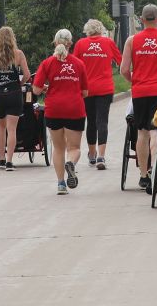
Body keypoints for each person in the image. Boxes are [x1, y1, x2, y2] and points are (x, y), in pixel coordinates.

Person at [120, 5, 157, 193]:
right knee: (156, 132)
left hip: (140, 92)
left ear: (142, 20)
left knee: (141, 131)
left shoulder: (132, 41)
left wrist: (136, 81)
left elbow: (124, 69)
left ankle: (144, 174)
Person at [33, 29, 88, 195]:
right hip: (74, 108)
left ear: (55, 43)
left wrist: (47, 88)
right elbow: (85, 92)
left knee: (58, 148)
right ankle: (71, 163)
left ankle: (61, 184)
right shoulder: (79, 64)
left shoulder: (47, 63)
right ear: (70, 44)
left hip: (54, 109)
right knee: (74, 148)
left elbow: (35, 90)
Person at [73, 19, 121, 169]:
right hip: (105, 88)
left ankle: (92, 155)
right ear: (100, 29)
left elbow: (74, 65)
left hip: (87, 89)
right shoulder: (108, 43)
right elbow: (121, 61)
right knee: (102, 121)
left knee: (91, 121)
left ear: (87, 30)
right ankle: (101, 156)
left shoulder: (80, 44)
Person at [0, 26, 31, 171]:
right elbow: (27, 75)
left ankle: (1, 159)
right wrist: (19, 83)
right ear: (12, 39)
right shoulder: (18, 54)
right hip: (13, 93)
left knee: (1, 128)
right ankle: (10, 162)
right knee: (12, 129)